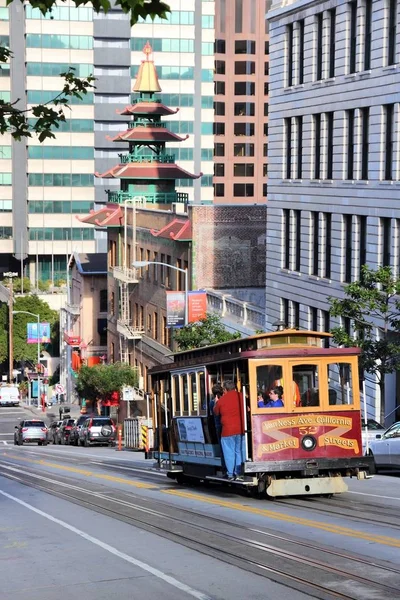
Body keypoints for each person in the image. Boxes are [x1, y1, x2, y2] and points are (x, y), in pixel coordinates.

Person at [213, 380, 244, 481]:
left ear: (225, 390)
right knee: (238, 451)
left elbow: (216, 412)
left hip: (227, 431)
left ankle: (230, 474)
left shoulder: (222, 400)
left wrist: (216, 403)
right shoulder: (241, 396)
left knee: (229, 452)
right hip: (240, 429)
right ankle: (238, 473)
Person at [209, 383, 225, 472]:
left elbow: (213, 413)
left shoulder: (212, 402)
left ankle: (224, 467)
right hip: (222, 425)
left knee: (222, 447)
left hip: (218, 426)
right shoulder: (223, 401)